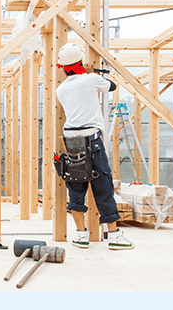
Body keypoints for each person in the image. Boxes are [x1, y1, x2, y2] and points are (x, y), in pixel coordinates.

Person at [55, 43, 134, 250]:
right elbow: (112, 87)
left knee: (76, 184)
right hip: (92, 138)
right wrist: (91, 73)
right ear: (81, 62)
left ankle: (81, 236)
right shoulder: (91, 79)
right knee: (103, 185)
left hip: (71, 140)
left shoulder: (60, 89)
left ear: (63, 67)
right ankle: (115, 237)